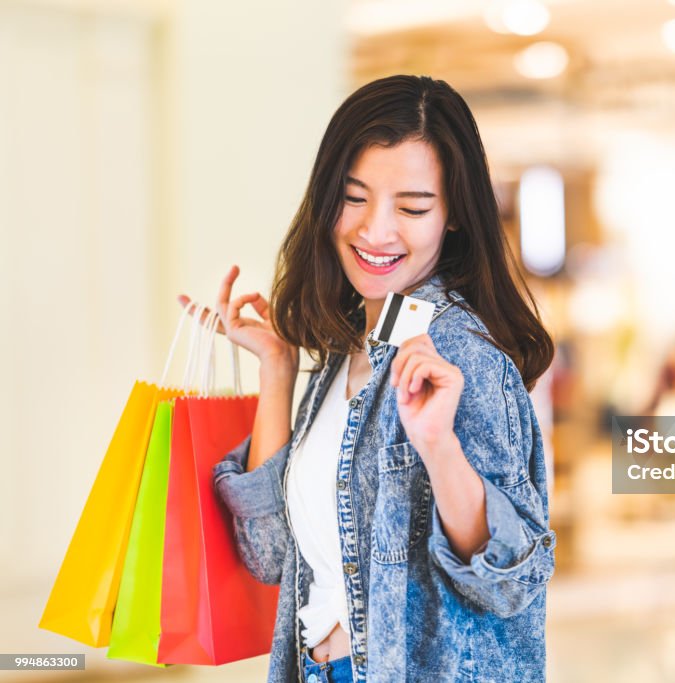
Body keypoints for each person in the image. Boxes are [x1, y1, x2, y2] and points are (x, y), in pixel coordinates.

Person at [179, 75, 557, 683]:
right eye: (354, 198)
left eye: (412, 207)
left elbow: (509, 581)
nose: (376, 231)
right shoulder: (343, 352)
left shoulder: (464, 357)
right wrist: (278, 370)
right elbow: (271, 556)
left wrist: (439, 447)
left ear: (454, 215)